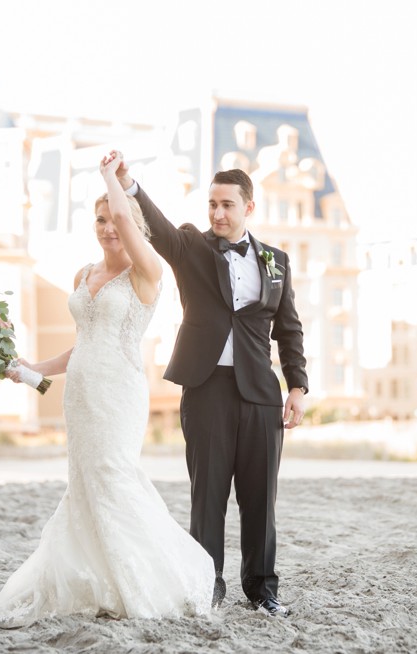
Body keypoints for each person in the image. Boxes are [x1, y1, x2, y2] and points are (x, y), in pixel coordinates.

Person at [0, 153, 214, 627]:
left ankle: (151, 580)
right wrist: (29, 368)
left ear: (134, 226)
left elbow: (127, 216)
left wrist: (108, 177)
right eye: (100, 219)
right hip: (79, 394)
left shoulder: (148, 273)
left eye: (116, 219)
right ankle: (97, 582)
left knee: (114, 476)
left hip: (119, 394)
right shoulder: (83, 275)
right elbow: (82, 347)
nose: (108, 227)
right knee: (85, 484)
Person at [108, 150, 308, 618]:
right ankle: (206, 584)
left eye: (227, 205)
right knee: (209, 497)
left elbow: (289, 327)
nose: (217, 213)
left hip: (262, 395)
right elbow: (155, 227)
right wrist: (131, 185)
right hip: (206, 390)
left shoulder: (276, 261)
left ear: (248, 208)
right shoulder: (192, 247)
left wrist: (297, 387)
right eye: (212, 204)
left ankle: (262, 589)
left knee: (261, 501)